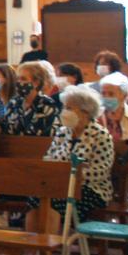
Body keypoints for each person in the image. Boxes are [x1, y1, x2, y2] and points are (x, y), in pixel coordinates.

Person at [42, 84, 116, 221]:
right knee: (37, 197)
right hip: (59, 185)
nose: (64, 111)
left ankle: (58, 238)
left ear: (85, 112)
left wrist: (69, 177)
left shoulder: (100, 135)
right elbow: (48, 158)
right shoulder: (63, 132)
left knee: (59, 201)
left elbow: (100, 171)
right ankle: (36, 239)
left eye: (69, 108)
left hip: (91, 189)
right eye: (64, 107)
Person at [2, 61, 60, 137]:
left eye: (23, 79)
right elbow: (5, 128)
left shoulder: (47, 104)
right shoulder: (14, 103)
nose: (19, 82)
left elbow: (51, 134)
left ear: (36, 83)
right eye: (17, 79)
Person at [97, 72, 128, 142]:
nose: (106, 97)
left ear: (124, 96)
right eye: (103, 93)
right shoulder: (96, 115)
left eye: (111, 94)